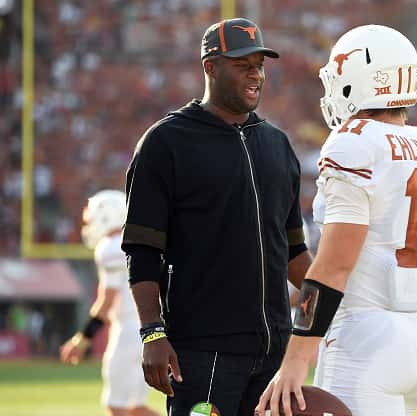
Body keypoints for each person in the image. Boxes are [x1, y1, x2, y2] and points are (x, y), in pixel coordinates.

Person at [256, 25, 417, 416]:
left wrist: (297, 357)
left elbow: (334, 266)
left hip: (362, 341)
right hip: (416, 343)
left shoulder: (353, 144)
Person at [121, 18, 312, 416]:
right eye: (243, 64)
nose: (256, 74)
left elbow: (293, 251)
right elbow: (142, 251)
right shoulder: (165, 142)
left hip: (274, 350)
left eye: (259, 64)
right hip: (204, 351)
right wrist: (152, 333)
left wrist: (330, 307)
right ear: (210, 66)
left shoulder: (277, 144)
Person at [60, 190, 159, 416]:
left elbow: (107, 300)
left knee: (117, 406)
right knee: (136, 408)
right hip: (152, 330)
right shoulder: (140, 242)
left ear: (107, 216)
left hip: (128, 331)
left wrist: (82, 338)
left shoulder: (110, 248)